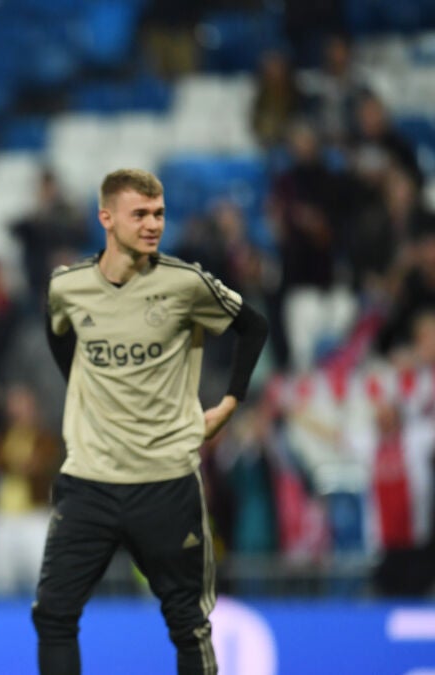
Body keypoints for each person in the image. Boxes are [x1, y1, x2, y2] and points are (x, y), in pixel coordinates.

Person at [34, 168, 268, 675]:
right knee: (53, 614)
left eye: (159, 214)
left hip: (165, 481)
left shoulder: (186, 283)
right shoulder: (68, 287)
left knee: (188, 623)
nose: (153, 224)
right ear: (106, 218)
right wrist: (82, 386)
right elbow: (58, 332)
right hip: (90, 480)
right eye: (139, 214)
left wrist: (231, 401)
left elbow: (254, 326)